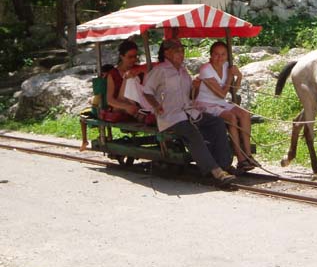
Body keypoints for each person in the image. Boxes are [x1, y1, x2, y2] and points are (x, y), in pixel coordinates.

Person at [143, 38, 236, 185]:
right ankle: (216, 171)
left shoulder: (183, 70)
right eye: (177, 51)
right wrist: (156, 105)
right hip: (171, 116)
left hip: (189, 112)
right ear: (167, 53)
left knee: (216, 122)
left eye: (182, 50)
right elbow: (147, 91)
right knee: (191, 132)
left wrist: (196, 86)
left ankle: (224, 163)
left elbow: (191, 96)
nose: (181, 54)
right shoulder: (160, 70)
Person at [196, 41, 255, 172]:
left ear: (227, 56)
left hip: (220, 103)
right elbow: (222, 94)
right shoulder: (205, 69)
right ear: (211, 55)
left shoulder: (227, 65)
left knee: (244, 114)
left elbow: (234, 90)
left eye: (223, 54)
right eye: (216, 54)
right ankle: (240, 158)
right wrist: (230, 76)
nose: (220, 58)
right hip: (206, 104)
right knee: (231, 117)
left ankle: (248, 154)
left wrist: (239, 76)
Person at [106, 39, 148, 120]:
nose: (133, 59)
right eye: (130, 57)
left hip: (138, 104)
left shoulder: (138, 69)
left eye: (135, 56)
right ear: (122, 56)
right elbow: (109, 100)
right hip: (120, 106)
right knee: (129, 78)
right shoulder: (113, 74)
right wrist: (127, 107)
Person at [80, 64, 114, 151]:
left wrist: (92, 101)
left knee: (82, 117)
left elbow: (96, 101)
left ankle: (84, 141)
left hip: (102, 111)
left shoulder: (102, 84)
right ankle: (109, 135)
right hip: (112, 109)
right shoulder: (115, 81)